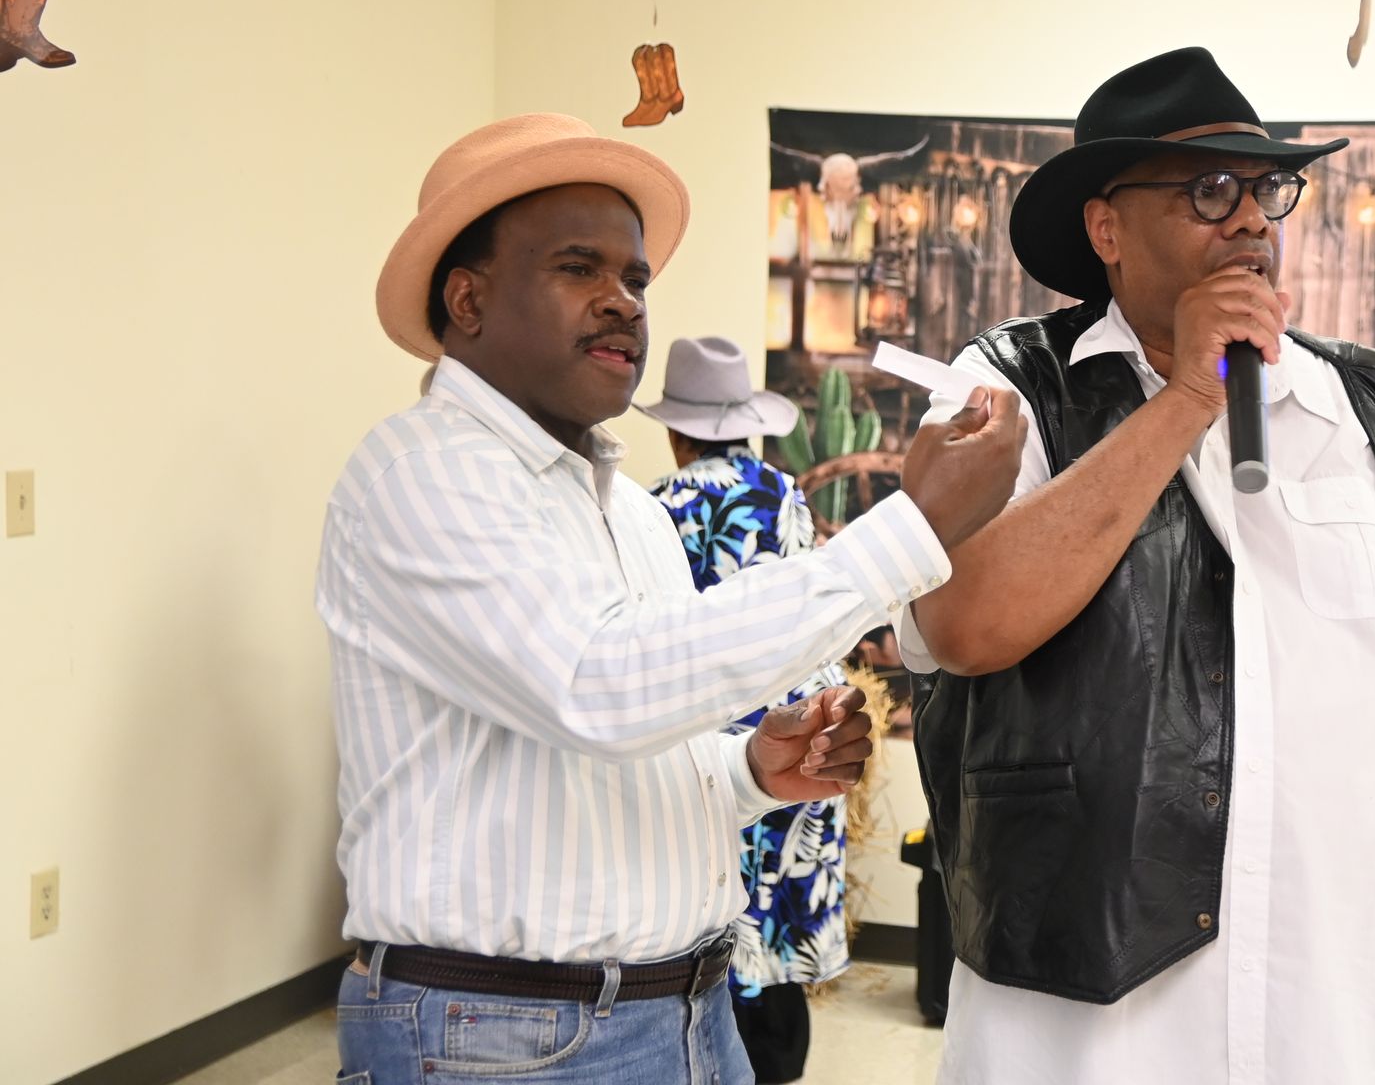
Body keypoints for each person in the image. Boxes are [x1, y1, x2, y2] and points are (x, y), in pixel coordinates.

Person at [900, 50, 1375, 1085]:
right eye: (1211, 190)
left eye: (1267, 190)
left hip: (1353, 1004)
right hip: (1095, 1025)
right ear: (1106, 229)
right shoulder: (1007, 389)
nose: (1252, 221)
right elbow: (964, 625)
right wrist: (1185, 399)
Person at [316, 113, 1022, 1085]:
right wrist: (913, 527)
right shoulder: (424, 474)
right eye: (578, 267)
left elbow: (617, 752)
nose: (622, 302)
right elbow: (600, 686)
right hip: (506, 1038)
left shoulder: (635, 513)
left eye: (636, 280)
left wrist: (749, 770)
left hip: (688, 1014)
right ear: (467, 298)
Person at [640, 335, 845, 1084]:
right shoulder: (785, 491)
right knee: (780, 905)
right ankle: (781, 1061)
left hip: (720, 729)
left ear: (678, 430)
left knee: (720, 904)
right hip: (801, 718)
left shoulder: (659, 504)